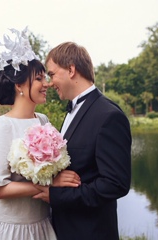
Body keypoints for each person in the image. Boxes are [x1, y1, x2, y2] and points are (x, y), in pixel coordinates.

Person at [0, 29, 80, 240]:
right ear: (19, 85)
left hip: (41, 226)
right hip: (11, 230)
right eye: (39, 79)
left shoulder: (43, 121)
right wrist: (50, 184)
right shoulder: (1, 126)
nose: (46, 84)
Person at [33, 42, 132, 240]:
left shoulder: (108, 116)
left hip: (91, 232)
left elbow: (115, 184)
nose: (50, 83)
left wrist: (57, 196)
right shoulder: (71, 111)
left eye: (52, 74)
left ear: (71, 70)